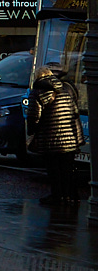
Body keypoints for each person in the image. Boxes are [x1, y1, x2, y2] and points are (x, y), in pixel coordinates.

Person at [28, 64, 85, 205]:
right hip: (69, 138)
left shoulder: (37, 91)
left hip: (50, 137)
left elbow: (33, 116)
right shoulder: (65, 89)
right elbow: (75, 113)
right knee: (68, 169)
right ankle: (69, 195)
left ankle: (57, 196)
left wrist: (31, 131)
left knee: (54, 170)